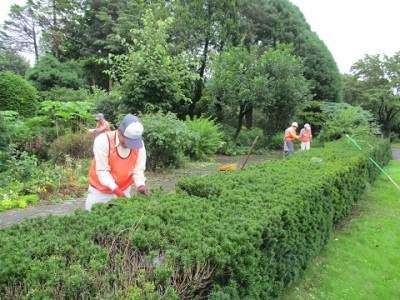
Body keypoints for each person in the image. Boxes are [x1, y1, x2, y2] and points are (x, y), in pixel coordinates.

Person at [85, 113, 150, 210]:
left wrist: (140, 184)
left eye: (132, 142)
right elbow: (102, 171)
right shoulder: (103, 141)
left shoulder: (138, 144)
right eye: (127, 141)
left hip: (124, 190)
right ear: (119, 131)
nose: (129, 145)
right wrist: (116, 190)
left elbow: (138, 169)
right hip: (100, 192)